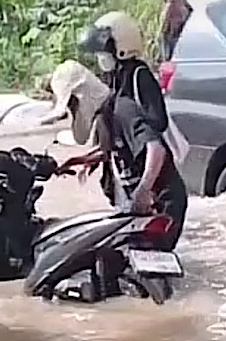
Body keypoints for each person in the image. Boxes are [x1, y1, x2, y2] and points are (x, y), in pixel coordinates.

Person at [70, 12, 187, 251]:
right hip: (140, 187)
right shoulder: (117, 81)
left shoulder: (136, 81)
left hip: (157, 194)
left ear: (120, 47)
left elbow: (154, 146)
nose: (101, 57)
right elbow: (121, 138)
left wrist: (144, 191)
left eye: (104, 50)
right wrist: (90, 159)